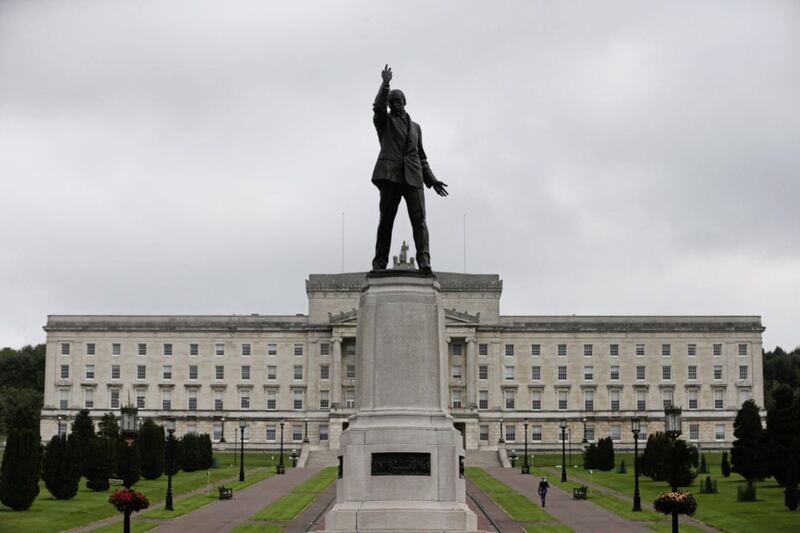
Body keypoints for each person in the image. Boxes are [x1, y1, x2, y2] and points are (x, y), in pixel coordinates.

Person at [370, 64, 448, 274]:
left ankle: (424, 261)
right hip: (390, 176)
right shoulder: (384, 122)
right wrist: (385, 85)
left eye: (398, 101)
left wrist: (432, 180)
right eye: (391, 101)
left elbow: (421, 157)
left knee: (420, 221)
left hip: (413, 177)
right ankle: (379, 262)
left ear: (405, 102)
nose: (395, 104)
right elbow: (377, 108)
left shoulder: (416, 128)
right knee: (386, 221)